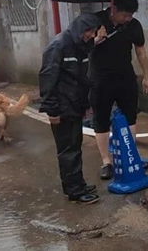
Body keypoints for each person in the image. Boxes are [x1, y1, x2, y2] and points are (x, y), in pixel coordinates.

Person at [39, 13, 103, 204]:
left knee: (75, 146)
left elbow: (80, 78)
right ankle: (75, 191)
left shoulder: (80, 47)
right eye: (89, 31)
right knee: (68, 150)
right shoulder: (58, 46)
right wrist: (52, 110)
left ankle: (77, 184)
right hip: (62, 106)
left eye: (94, 32)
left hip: (75, 104)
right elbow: (47, 78)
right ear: (80, 29)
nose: (91, 35)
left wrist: (85, 103)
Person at [90, 0, 148, 180]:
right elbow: (80, 47)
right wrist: (96, 40)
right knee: (101, 119)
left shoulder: (134, 25)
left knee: (130, 116)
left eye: (130, 16)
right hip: (100, 79)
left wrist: (146, 75)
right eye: (125, 15)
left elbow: (140, 50)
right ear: (113, 9)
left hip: (125, 77)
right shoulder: (95, 21)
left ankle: (130, 155)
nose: (127, 19)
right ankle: (106, 162)